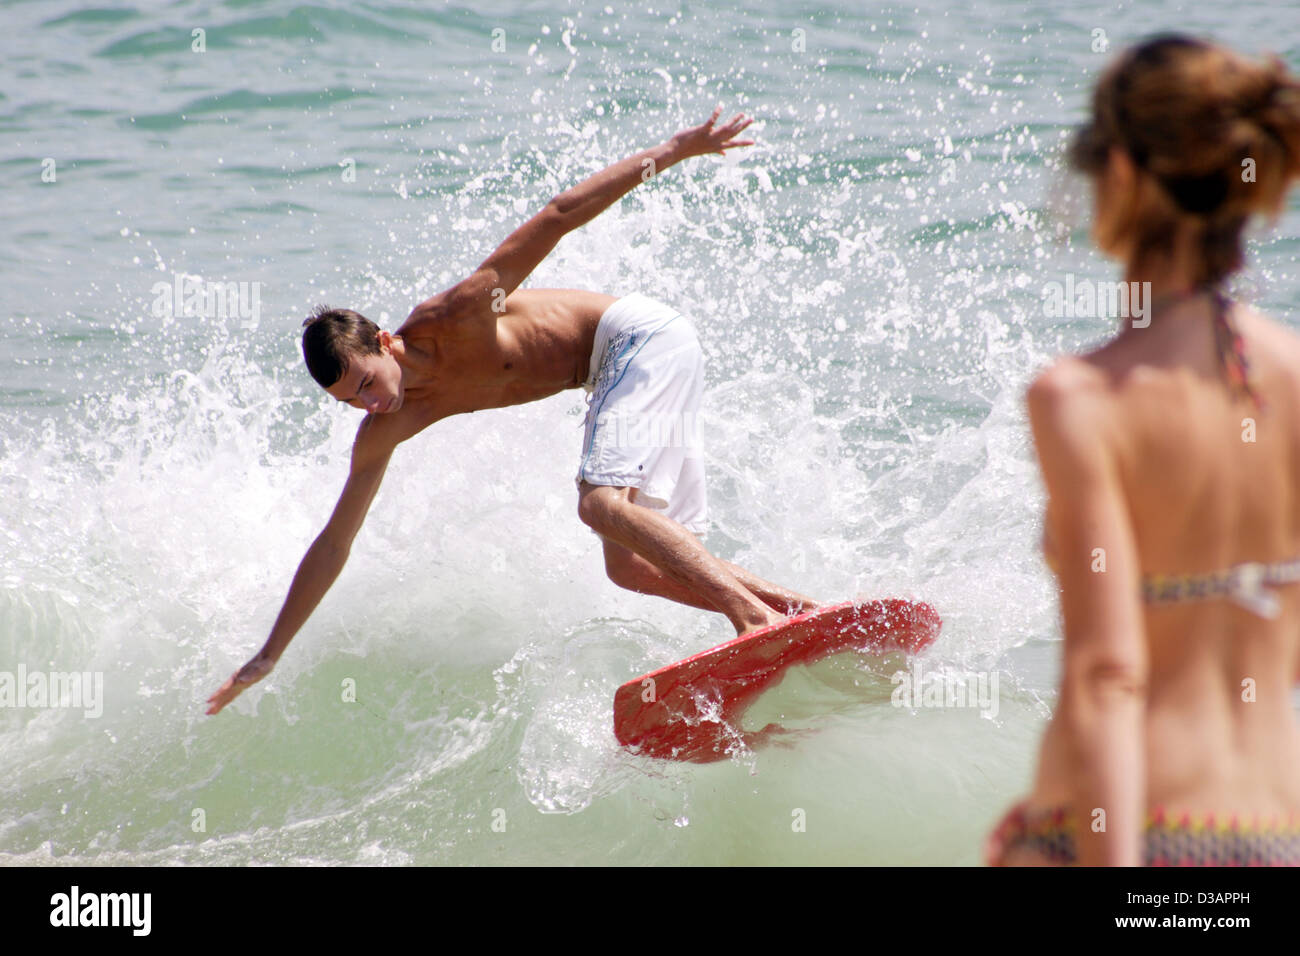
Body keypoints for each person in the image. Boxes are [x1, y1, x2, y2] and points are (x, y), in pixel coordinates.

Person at [207, 109, 815, 716]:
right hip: (621, 371)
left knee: (599, 504)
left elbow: (560, 216)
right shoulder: (387, 426)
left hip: (638, 339)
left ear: (386, 342)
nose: (370, 403)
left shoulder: (458, 315)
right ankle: (798, 614)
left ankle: (750, 618)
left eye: (367, 382)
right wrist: (270, 653)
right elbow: (335, 543)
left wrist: (677, 149)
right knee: (626, 566)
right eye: (352, 402)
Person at [986, 34, 1300, 866]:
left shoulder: (1084, 399)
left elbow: (1108, 677)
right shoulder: (1295, 378)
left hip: (1118, 837)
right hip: (1271, 833)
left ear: (1121, 173)